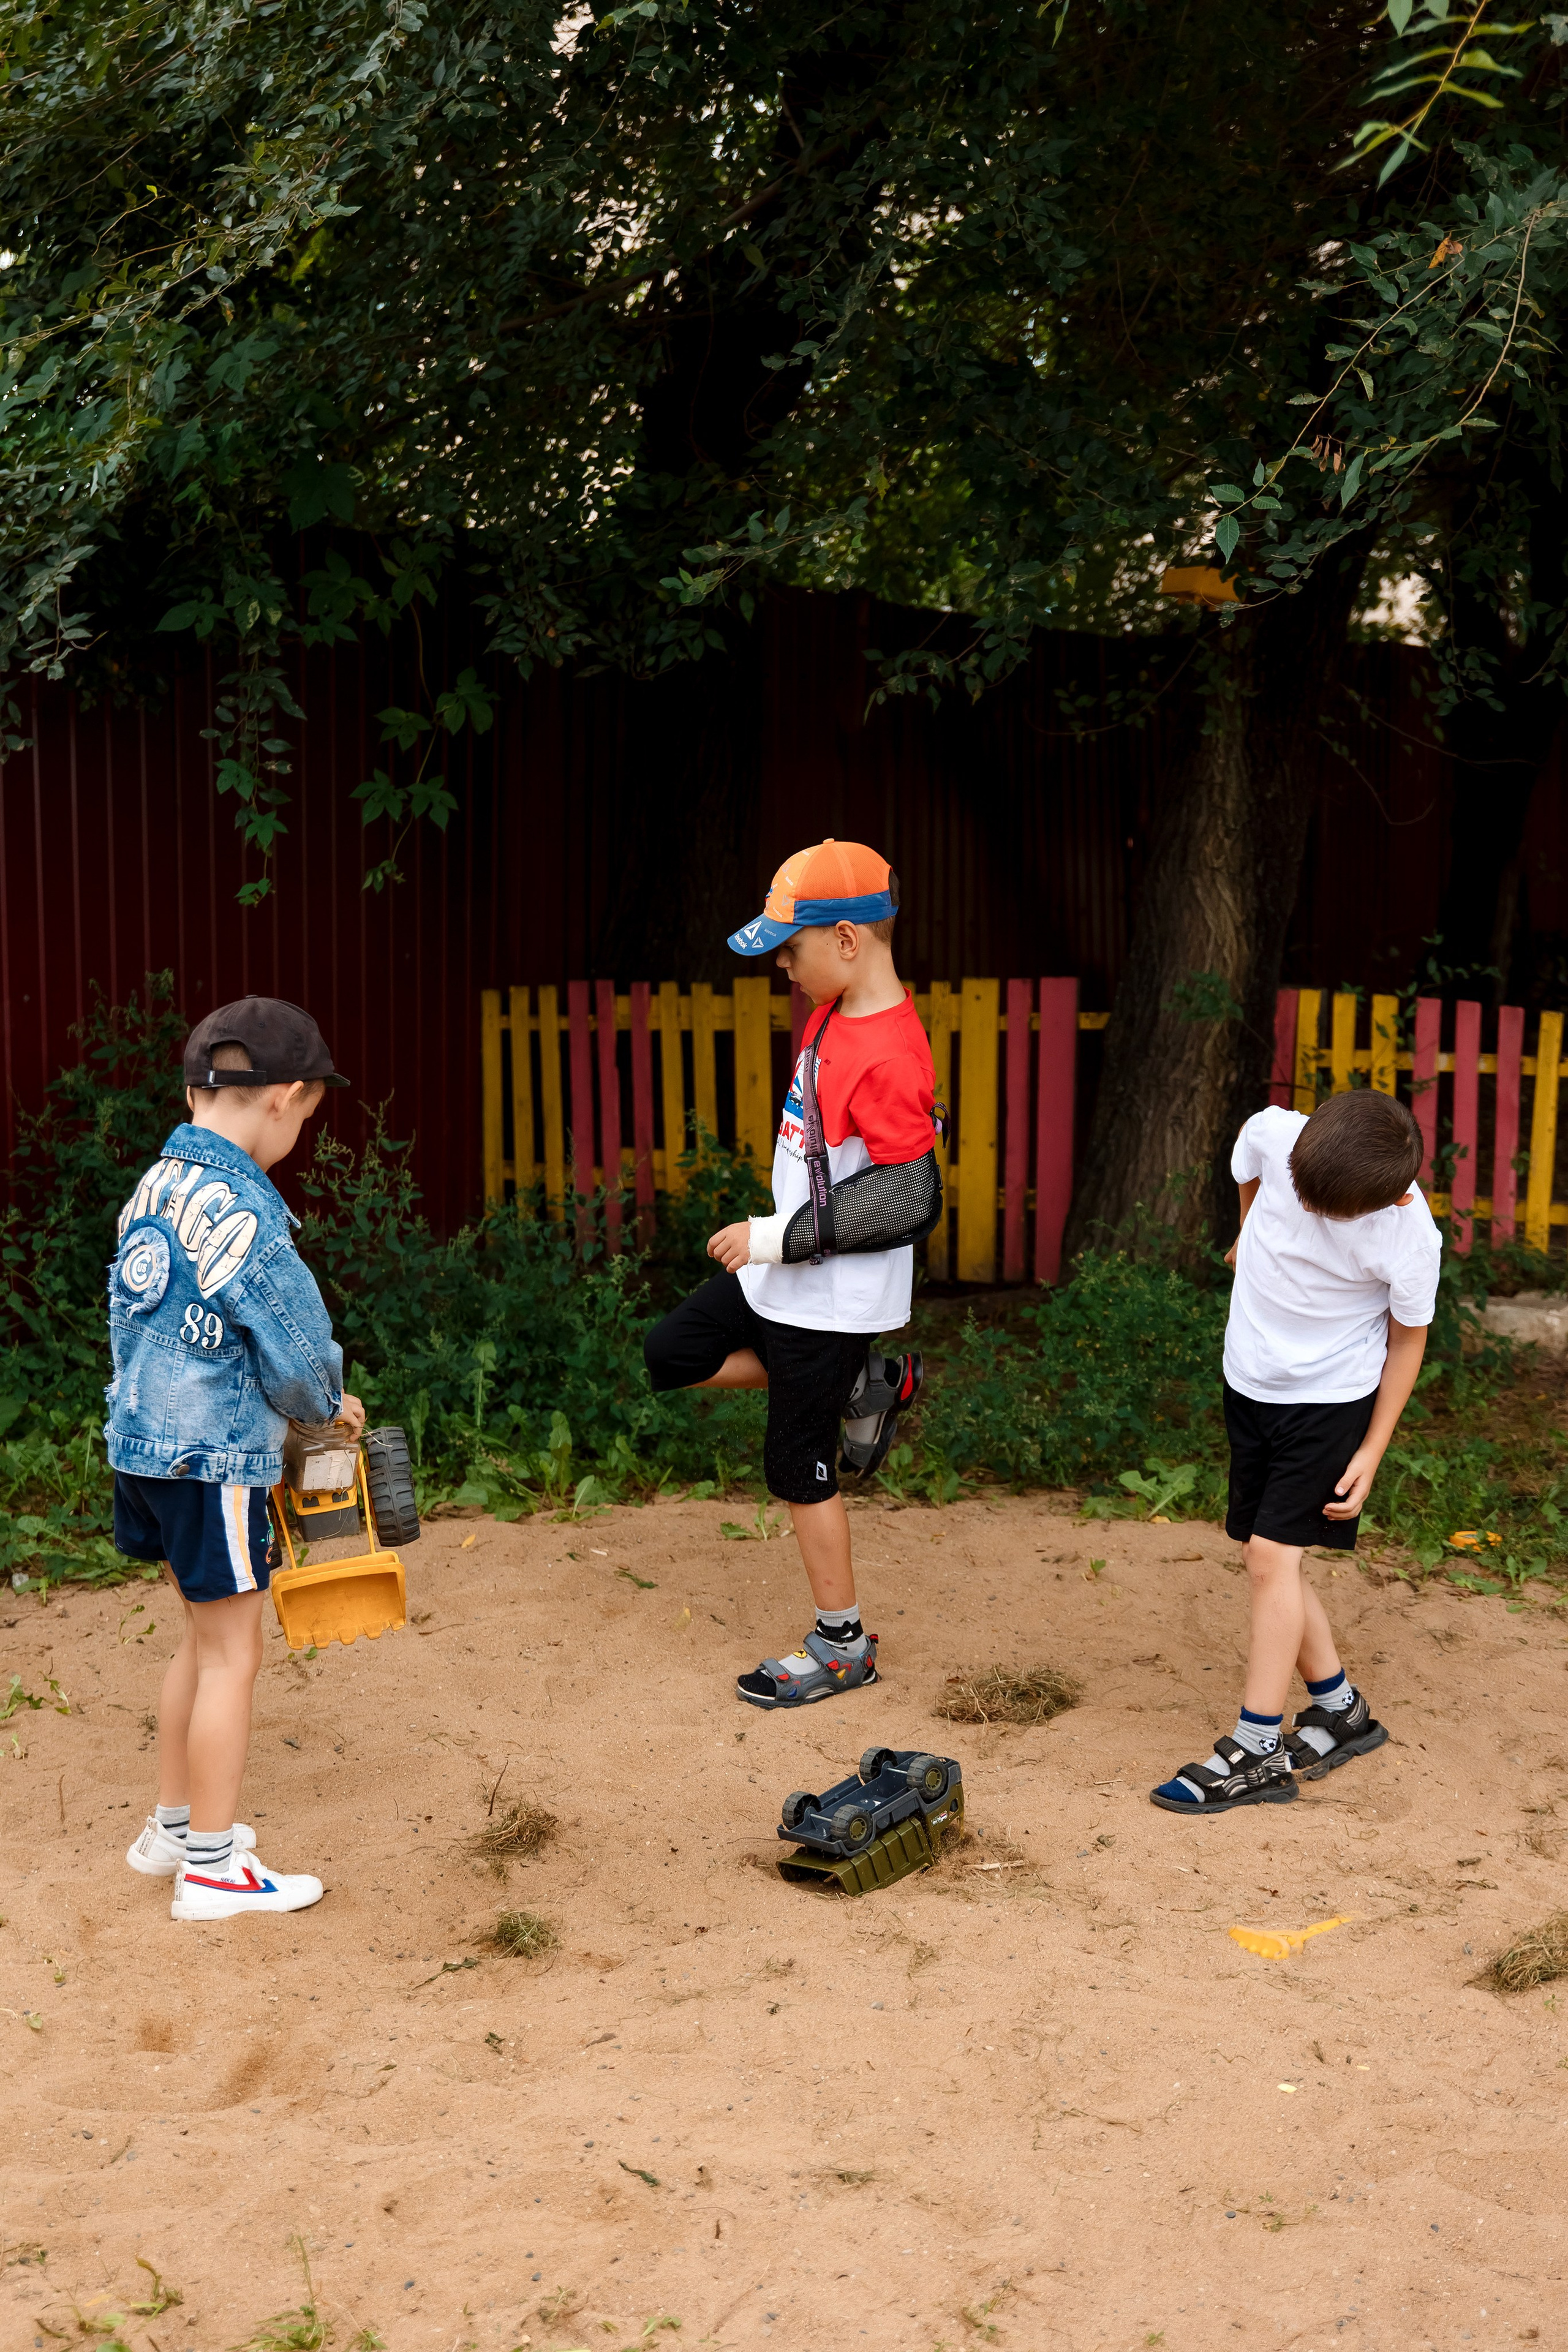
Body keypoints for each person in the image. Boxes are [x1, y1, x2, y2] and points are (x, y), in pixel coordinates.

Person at [644, 840, 938, 1707]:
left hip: (832, 1296)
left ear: (846, 939)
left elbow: (908, 1194)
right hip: (783, 1274)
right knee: (673, 1352)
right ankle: (857, 1387)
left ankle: (841, 1644)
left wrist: (774, 1239)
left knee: (794, 1463)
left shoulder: (889, 1052)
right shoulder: (828, 1010)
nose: (781, 963)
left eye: (790, 947)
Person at [111, 997, 363, 1918]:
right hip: (211, 1460)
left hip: (143, 1450)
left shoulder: (154, 1188)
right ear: (284, 1098)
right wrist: (327, 1405)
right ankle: (213, 1868)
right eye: (303, 1117)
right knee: (233, 1657)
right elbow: (297, 1356)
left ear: (193, 1091)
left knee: (199, 1639)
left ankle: (172, 1827)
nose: (296, 1132)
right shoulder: (249, 1217)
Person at [1151, 1088, 1440, 1813]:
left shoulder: (1409, 1237)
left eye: (1326, 1211)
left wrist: (1373, 1448)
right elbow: (1249, 1169)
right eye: (1301, 1196)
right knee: (1262, 1549)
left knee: (1271, 1560)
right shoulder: (1276, 1134)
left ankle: (1257, 1748)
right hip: (1249, 1378)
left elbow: (1408, 1341)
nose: (1307, 1213)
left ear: (1390, 1202)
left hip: (1330, 1401)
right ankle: (1341, 1712)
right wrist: (1249, 1229)